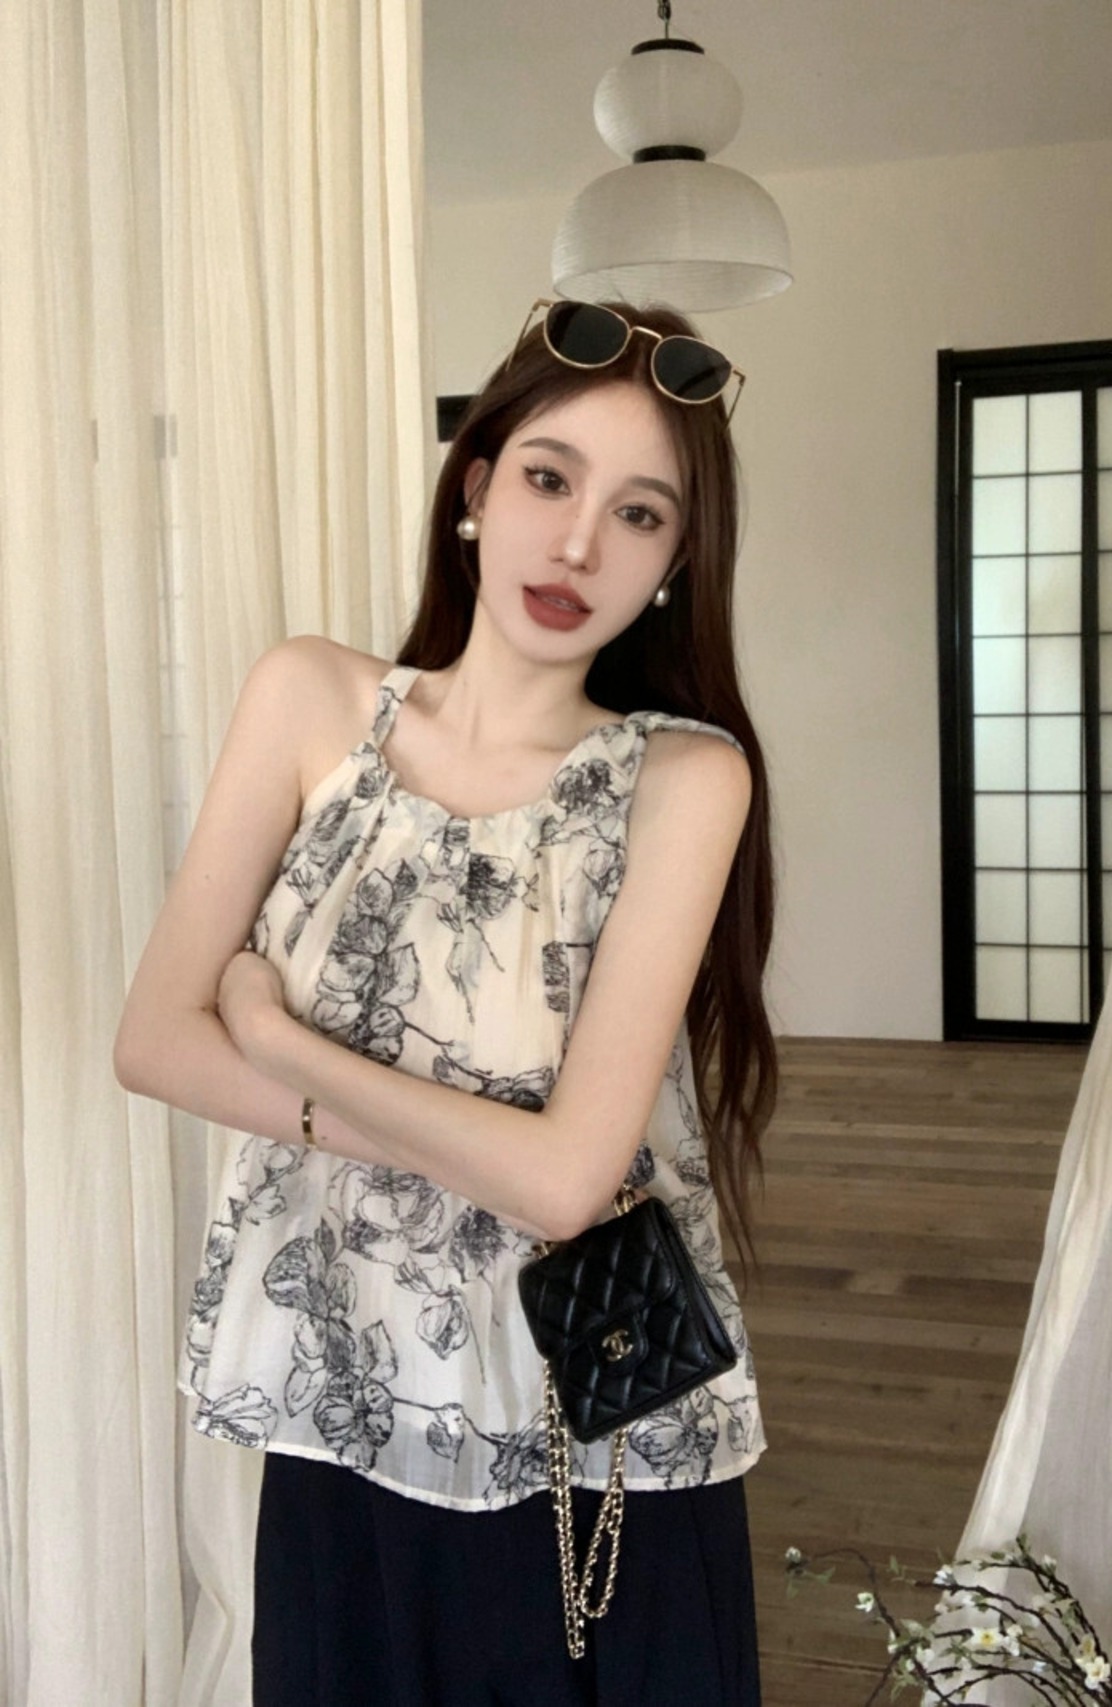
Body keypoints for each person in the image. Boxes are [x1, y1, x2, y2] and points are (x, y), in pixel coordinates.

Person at [115, 296, 777, 1706]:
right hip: (345, 1392)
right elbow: (154, 1040)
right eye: (548, 479)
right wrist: (484, 1151)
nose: (579, 544)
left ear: (675, 565)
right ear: (475, 488)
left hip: (592, 1420)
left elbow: (569, 1184)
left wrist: (276, 1044)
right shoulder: (310, 702)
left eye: (640, 514)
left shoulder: (685, 779)